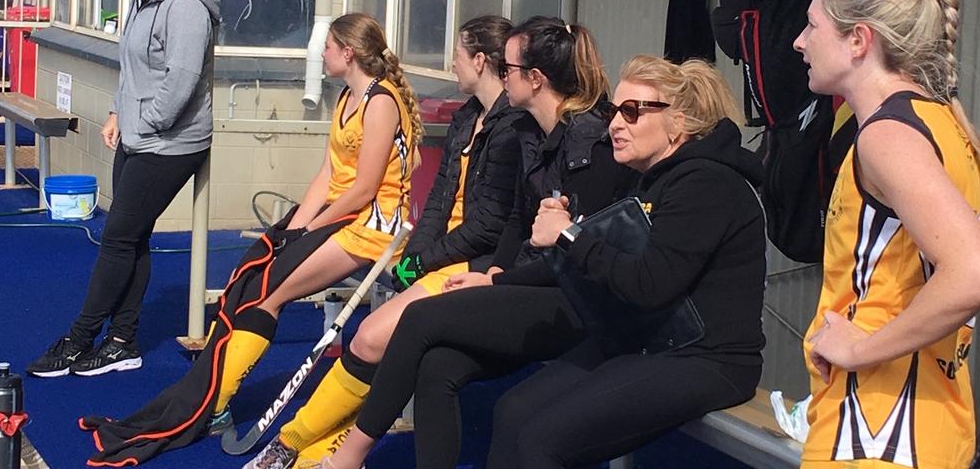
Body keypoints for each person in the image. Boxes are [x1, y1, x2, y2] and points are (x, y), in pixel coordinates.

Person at [316, 55, 767, 469]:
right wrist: (540, 255)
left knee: (541, 440)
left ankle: (349, 457)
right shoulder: (650, 179)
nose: (615, 124)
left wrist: (567, 237)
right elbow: (600, 259)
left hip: (704, 358)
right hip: (640, 335)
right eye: (614, 111)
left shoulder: (706, 183)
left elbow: (650, 283)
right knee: (510, 411)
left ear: (678, 123)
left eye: (632, 112)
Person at [79, 11, 425, 467]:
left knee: (268, 294)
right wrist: (293, 229)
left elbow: (363, 189)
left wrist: (313, 228)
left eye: (327, 48)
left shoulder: (381, 102)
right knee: (252, 274)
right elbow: (328, 175)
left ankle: (214, 405)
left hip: (375, 228)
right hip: (343, 218)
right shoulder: (346, 98)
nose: (320, 55)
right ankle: (212, 395)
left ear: (349, 52)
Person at [253, 16, 538, 468]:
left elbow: (488, 225)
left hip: (475, 263)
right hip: (443, 254)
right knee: (373, 338)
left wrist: (426, 261)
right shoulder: (467, 118)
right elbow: (440, 198)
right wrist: (417, 256)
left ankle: (303, 441)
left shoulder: (513, 129)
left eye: (459, 55)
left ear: (481, 61)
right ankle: (305, 444)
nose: (451, 64)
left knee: (369, 338)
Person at [793, 0, 980, 468]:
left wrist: (860, 349)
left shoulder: (888, 136)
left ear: (859, 40)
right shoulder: (943, 122)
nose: (799, 41)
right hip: (928, 417)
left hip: (878, 427)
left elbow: (979, 275)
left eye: (812, 25)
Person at [27, 0, 220, 378]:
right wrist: (118, 112)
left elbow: (182, 80)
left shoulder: (185, 6)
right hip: (140, 135)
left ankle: (80, 338)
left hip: (171, 142)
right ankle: (121, 340)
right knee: (132, 239)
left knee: (117, 238)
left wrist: (147, 122)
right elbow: (133, 68)